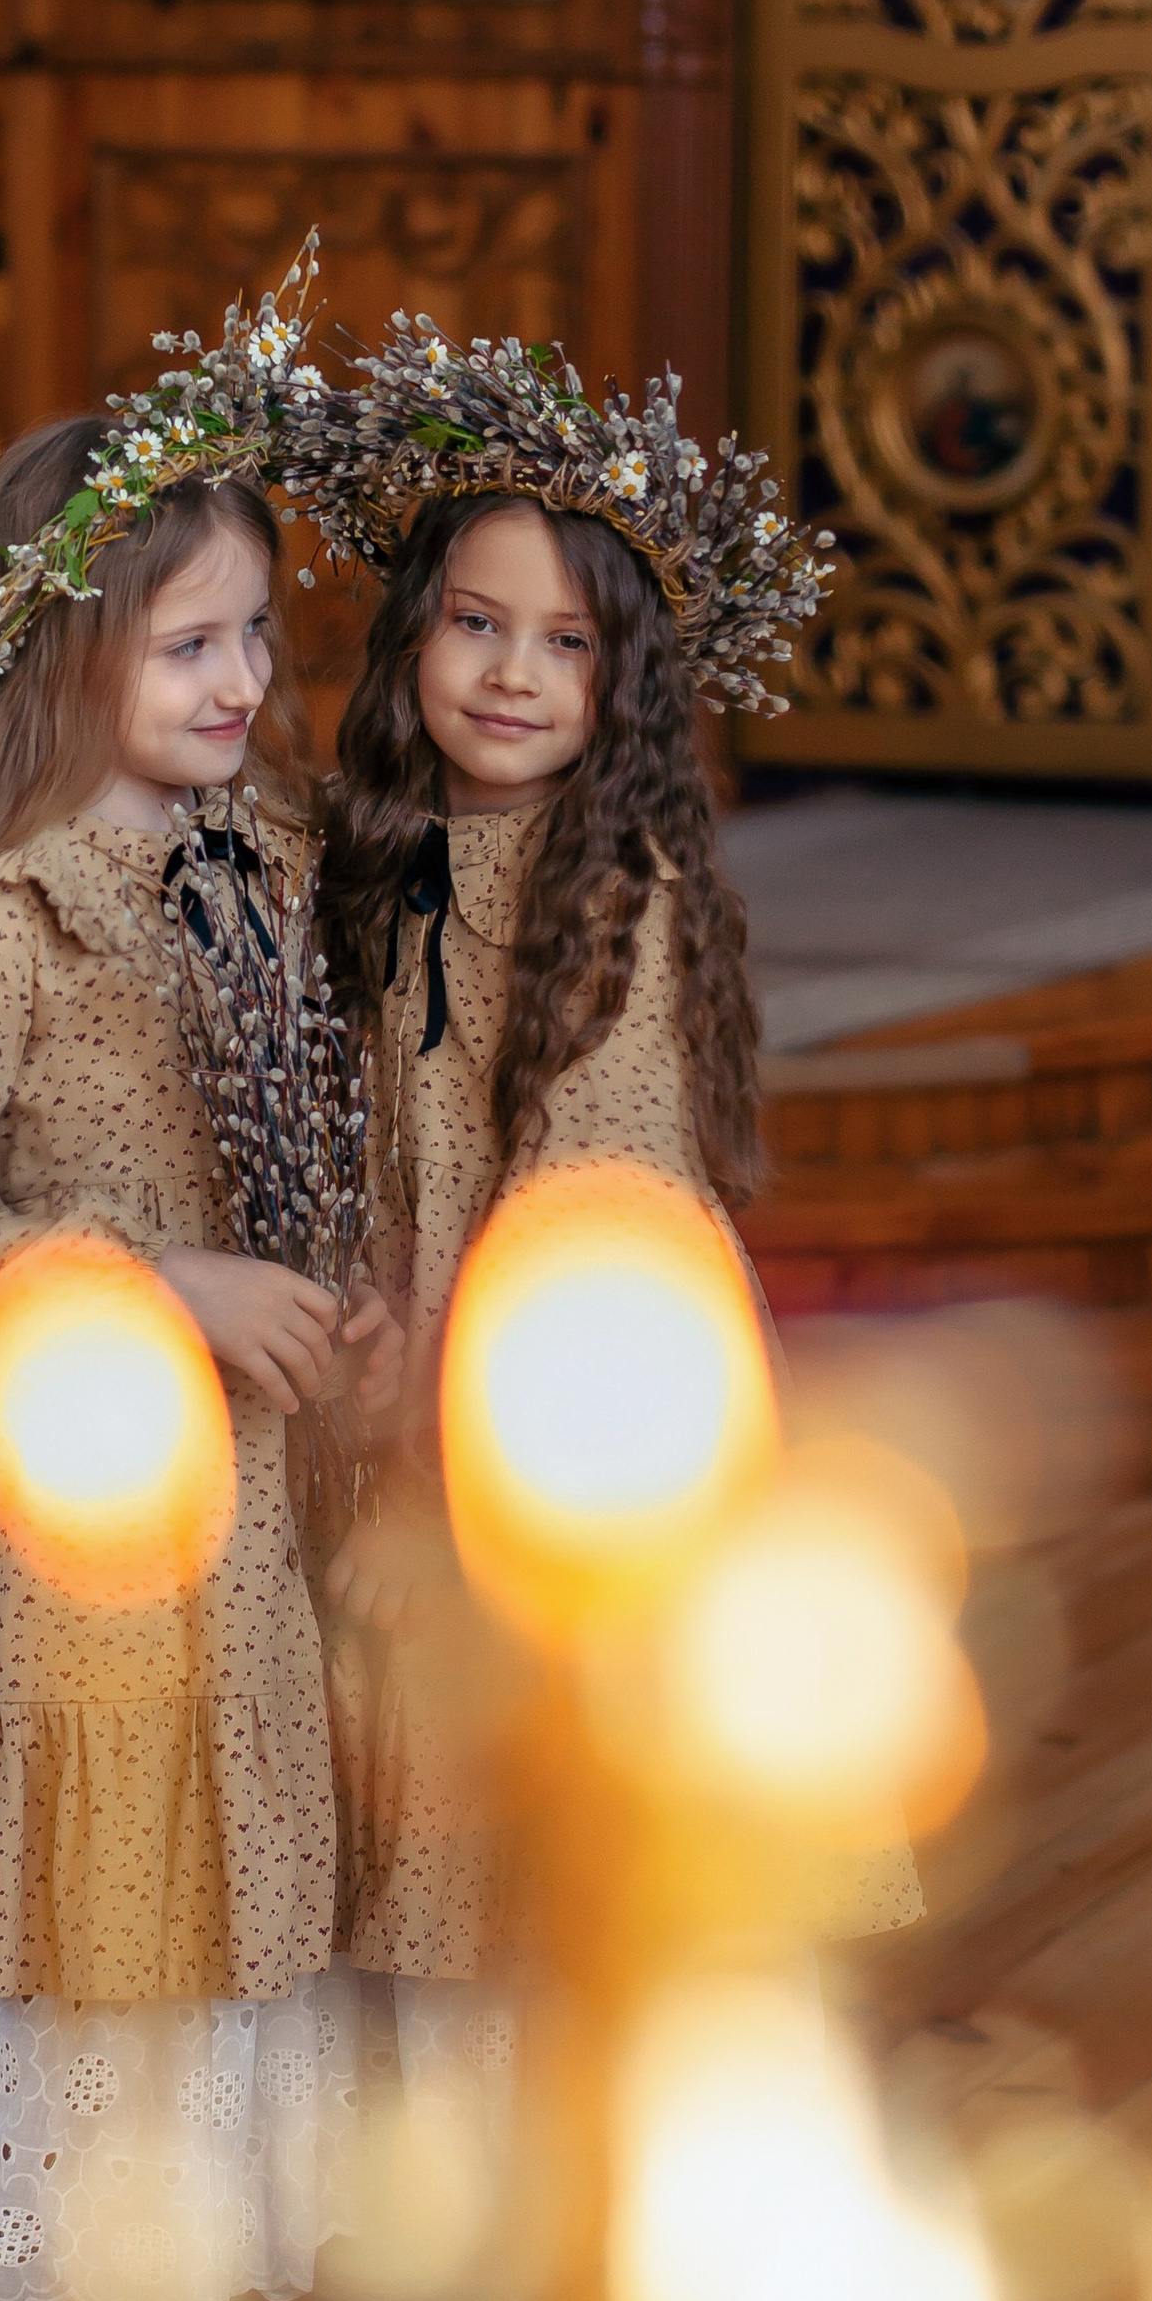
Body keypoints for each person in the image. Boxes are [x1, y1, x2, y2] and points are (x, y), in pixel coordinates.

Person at [0, 272, 460, 2301]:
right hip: (69, 1485)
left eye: (256, 634)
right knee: (94, 1802)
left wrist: (342, 1278)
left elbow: (316, 1092)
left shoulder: (259, 845)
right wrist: (163, 1284)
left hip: (244, 1455)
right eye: (191, 643)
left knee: (229, 1792)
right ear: (73, 655)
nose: (243, 677)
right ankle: (81, 2215)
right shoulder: (4, 914)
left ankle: (223, 2196)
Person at [292, 327, 923, 1968]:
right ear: (412, 633)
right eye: (477, 624)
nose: (513, 673)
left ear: (618, 682)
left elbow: (578, 1233)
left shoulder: (613, 895)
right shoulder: (383, 851)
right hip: (417, 1356)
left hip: (571, 1408)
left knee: (561, 1787)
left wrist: (438, 1494)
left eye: (565, 644)